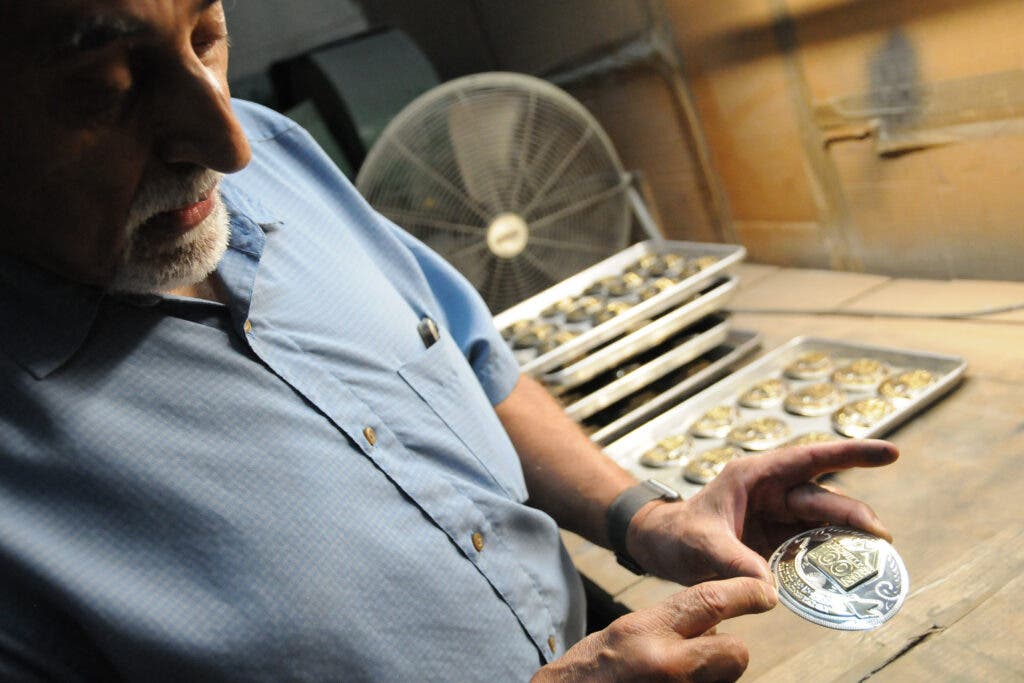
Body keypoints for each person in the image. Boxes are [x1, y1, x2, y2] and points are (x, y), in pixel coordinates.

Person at [0, 1, 898, 681]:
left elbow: (465, 358)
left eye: (207, 36)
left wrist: (647, 519)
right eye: (108, 87)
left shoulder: (277, 154)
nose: (227, 143)